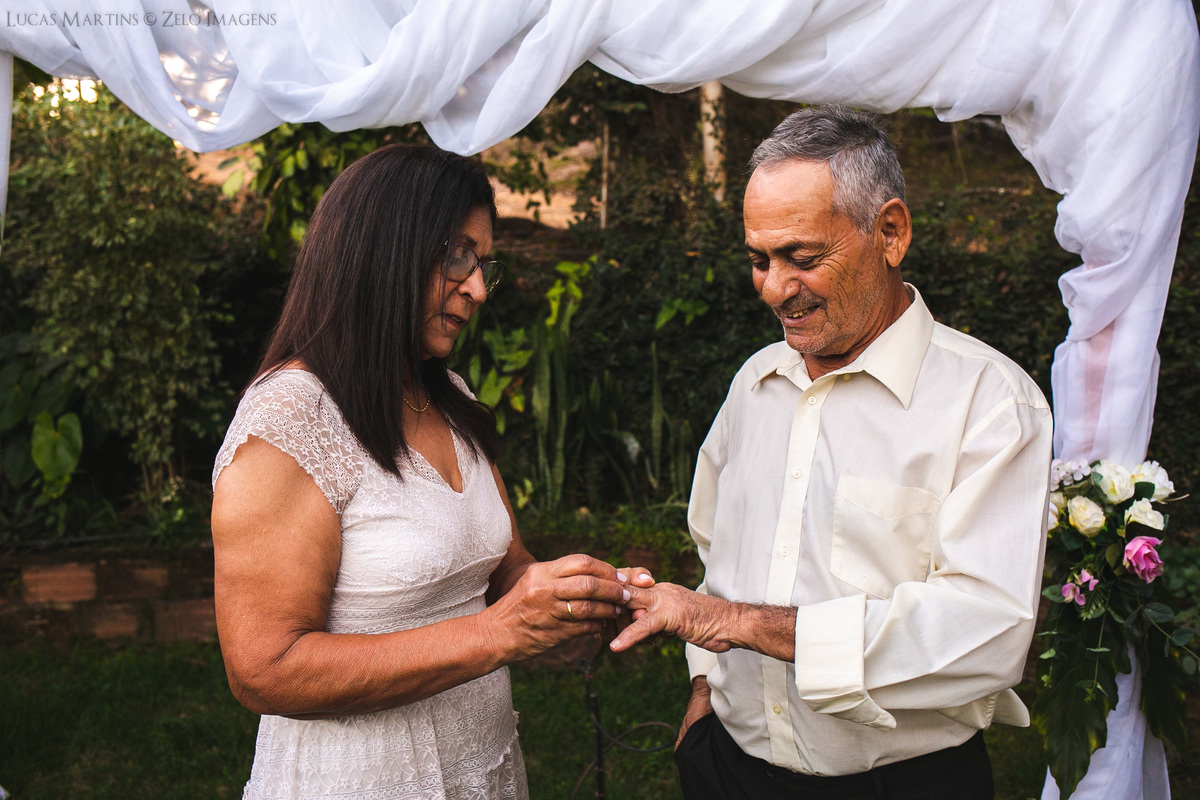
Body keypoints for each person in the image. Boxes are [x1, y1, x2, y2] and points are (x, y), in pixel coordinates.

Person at [611, 107, 1054, 799]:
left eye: (803, 258)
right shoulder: (756, 384)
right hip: (726, 767)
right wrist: (703, 685)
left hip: (904, 784)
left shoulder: (989, 402)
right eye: (759, 259)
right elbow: (712, 552)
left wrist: (736, 625)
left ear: (890, 233)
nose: (773, 288)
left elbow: (986, 633)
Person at [211, 144, 648, 800]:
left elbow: (506, 572)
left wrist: (579, 596)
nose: (475, 287)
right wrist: (496, 634)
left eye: (482, 266)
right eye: (457, 256)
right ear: (384, 249)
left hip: (487, 770)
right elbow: (264, 670)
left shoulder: (452, 398)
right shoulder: (290, 422)